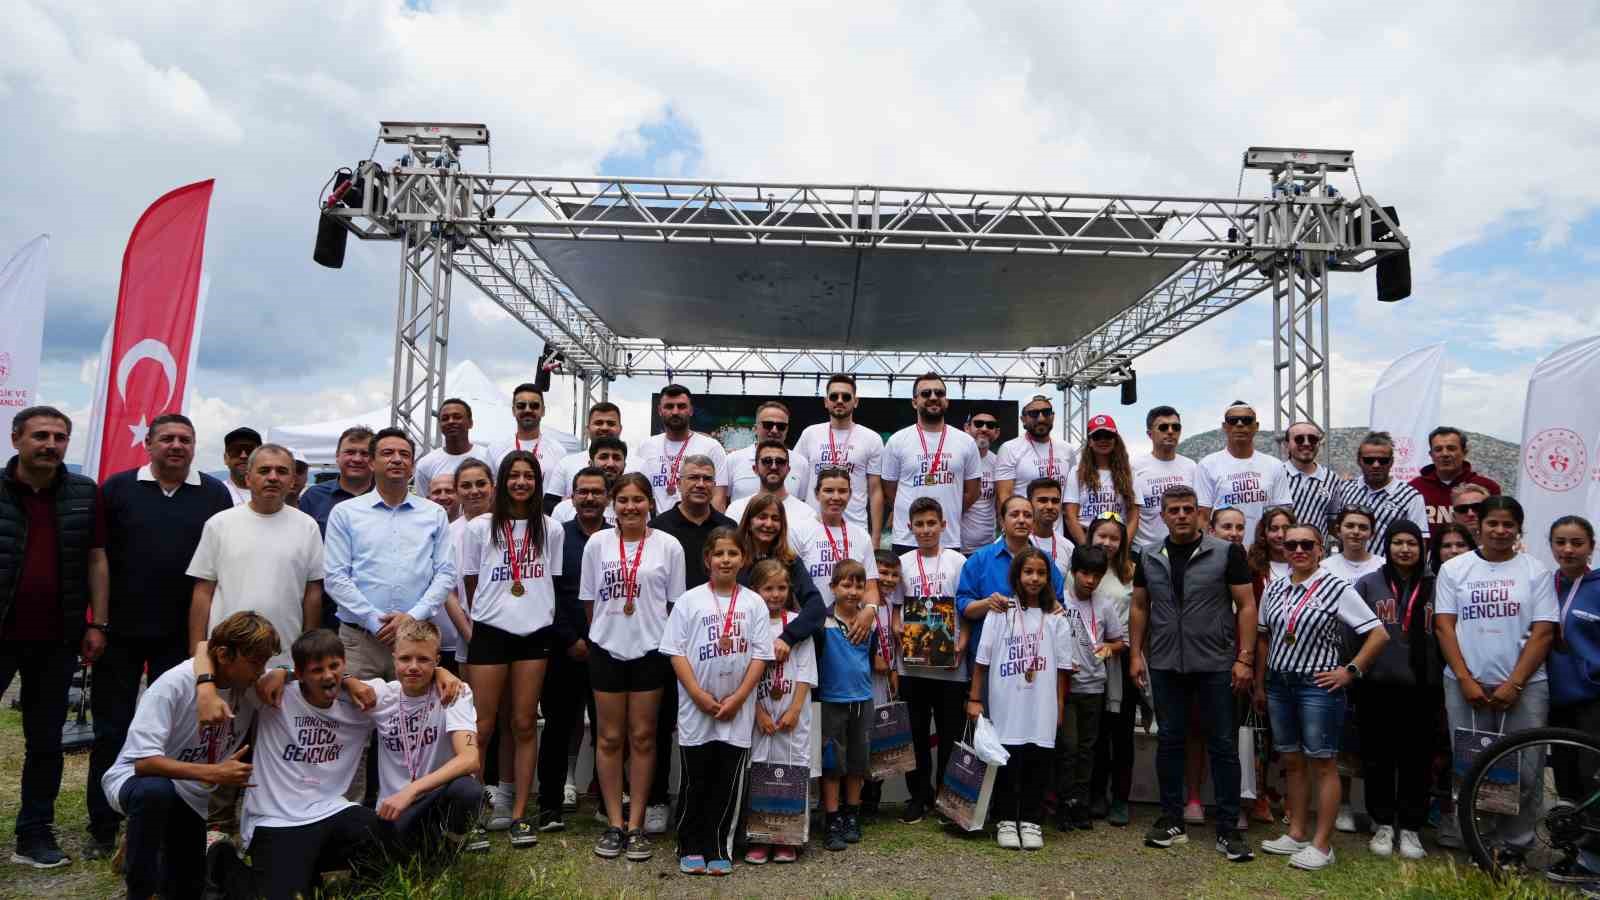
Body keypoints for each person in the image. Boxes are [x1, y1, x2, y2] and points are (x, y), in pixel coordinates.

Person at [87, 413, 233, 860]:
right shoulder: (116, 489)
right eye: (166, 438)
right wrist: (99, 622)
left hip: (182, 637)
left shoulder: (213, 493)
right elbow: (99, 559)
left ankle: (164, 822)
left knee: (176, 735)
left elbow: (215, 571)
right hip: (122, 633)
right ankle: (104, 824)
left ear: (194, 446)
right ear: (147, 444)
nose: (176, 446)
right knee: (112, 729)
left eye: (185, 439)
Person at [102, 612, 277, 900]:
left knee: (187, 890)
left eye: (265, 662)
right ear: (224, 655)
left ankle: (148, 842)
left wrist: (285, 674)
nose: (262, 671)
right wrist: (213, 773)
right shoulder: (173, 685)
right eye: (255, 662)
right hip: (135, 780)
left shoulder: (246, 688)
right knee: (155, 793)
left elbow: (303, 681)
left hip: (192, 799)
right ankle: (140, 891)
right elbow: (145, 763)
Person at [203, 630, 387, 900]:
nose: (328, 676)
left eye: (335, 667)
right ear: (300, 674)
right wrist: (281, 670)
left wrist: (444, 673)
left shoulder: (364, 698)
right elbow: (205, 650)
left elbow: (418, 683)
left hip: (330, 809)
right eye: (316, 670)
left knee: (381, 833)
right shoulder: (272, 695)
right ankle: (221, 858)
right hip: (275, 820)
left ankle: (342, 884)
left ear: (345, 665)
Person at [324, 427, 455, 809]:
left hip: (415, 644)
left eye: (404, 453)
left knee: (415, 729)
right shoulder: (346, 513)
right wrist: (375, 620)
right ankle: (349, 816)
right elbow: (335, 576)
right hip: (360, 639)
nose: (397, 459)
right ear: (372, 461)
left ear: (413, 464)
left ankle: (412, 813)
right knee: (353, 730)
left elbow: (444, 573)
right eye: (388, 453)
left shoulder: (433, 514)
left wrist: (410, 620)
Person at [1129, 484, 1256, 862]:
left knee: (1222, 744)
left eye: (1188, 509)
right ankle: (1171, 819)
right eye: (1174, 510)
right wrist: (1136, 654)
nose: (1181, 515)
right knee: (1169, 739)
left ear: (1200, 515)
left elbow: (1246, 605)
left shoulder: (1226, 552)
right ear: (1163, 515)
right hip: (1167, 663)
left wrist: (1244, 658)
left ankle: (1229, 829)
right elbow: (1139, 607)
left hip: (1216, 663)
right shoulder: (1149, 555)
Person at [2, 407, 105, 870]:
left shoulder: (84, 493)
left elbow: (97, 560)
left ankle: (34, 834)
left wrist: (96, 623)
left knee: (45, 742)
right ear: (16, 438)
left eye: (60, 437)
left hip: (57, 638)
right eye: (40, 435)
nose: (51, 444)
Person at [1253, 524, 1388, 871]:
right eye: (1291, 544)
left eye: (1306, 544)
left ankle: (1323, 845)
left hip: (1318, 686)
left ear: (1319, 550)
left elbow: (1377, 633)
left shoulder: (1335, 587)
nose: (1298, 550)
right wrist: (1260, 683)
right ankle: (1296, 832)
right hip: (1280, 683)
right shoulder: (1276, 588)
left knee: (1323, 763)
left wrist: (1351, 670)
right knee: (1292, 761)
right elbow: (1265, 638)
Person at [1435, 495, 1557, 858]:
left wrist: (1515, 683)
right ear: (1480, 526)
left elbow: (1544, 631)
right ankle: (1477, 840)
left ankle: (1516, 845)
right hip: (1464, 684)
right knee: (1470, 766)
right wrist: (1465, 679)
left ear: (1519, 528)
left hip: (1525, 686)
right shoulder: (1455, 569)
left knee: (1525, 769)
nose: (1500, 530)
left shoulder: (1535, 570)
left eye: (1508, 524)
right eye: (1493, 523)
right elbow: (1444, 626)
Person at [459, 449, 564, 848]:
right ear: (502, 482)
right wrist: (494, 611)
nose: (521, 482)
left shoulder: (550, 529)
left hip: (534, 632)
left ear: (537, 483)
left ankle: (520, 815)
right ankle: (470, 817)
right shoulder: (479, 527)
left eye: (529, 476)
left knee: (522, 724)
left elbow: (549, 581)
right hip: (490, 631)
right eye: (513, 476)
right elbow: (472, 582)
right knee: (482, 727)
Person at [582, 472, 688, 861]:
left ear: (650, 503)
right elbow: (589, 601)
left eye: (637, 500)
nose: (630, 507)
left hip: (650, 651)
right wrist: (605, 634)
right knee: (609, 738)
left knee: (643, 737)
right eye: (623, 500)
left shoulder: (669, 546)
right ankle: (614, 822)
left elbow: (673, 605)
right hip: (607, 650)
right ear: (614, 503)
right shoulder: (597, 543)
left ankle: (637, 824)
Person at [659, 528, 773, 876]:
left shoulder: (754, 602)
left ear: (744, 559)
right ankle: (690, 843)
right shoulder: (689, 600)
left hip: (736, 710)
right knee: (696, 778)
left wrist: (740, 698)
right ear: (707, 559)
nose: (726, 560)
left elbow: (760, 656)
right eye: (719, 553)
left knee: (727, 781)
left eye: (732, 553)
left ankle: (717, 845)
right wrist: (696, 694)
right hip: (697, 708)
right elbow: (675, 651)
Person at [645, 455, 736, 833]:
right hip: (668, 640)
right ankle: (655, 799)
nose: (700, 484)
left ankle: (711, 803)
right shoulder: (659, 527)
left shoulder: (728, 527)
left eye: (707, 478)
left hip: (716, 644)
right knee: (661, 722)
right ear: (677, 481)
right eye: (693, 477)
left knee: (715, 725)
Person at [969, 547, 1074, 851]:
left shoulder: (1056, 619)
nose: (1034, 578)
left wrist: (1060, 706)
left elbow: (1062, 673)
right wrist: (975, 698)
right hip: (1006, 705)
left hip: (1042, 706)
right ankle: (1004, 819)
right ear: (1016, 576)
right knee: (1006, 763)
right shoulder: (999, 614)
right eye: (1028, 572)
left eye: (1041, 573)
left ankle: (1031, 820)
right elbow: (982, 663)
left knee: (1037, 763)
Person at [187, 444, 323, 668]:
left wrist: (306, 655)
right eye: (264, 470)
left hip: (284, 659)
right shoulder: (219, 524)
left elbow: (313, 594)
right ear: (248, 478)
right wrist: (196, 652)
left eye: (281, 471)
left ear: (292, 481)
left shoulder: (307, 527)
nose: (272, 477)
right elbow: (203, 591)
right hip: (225, 656)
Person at [1352, 520, 1437, 861]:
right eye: (1398, 542)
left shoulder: (1439, 584)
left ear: (1422, 547)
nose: (1405, 549)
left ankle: (1413, 827)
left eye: (1412, 543)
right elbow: (1351, 633)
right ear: (1386, 546)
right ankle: (1383, 822)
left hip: (1424, 687)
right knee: (1378, 757)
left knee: (1418, 759)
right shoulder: (1369, 584)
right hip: (1378, 686)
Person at [368, 619, 482, 857]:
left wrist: (412, 790)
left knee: (468, 791)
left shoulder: (453, 692)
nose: (413, 667)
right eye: (405, 659)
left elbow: (470, 759)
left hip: (433, 799)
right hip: (393, 809)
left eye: (423, 660)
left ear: (437, 661)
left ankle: (451, 852)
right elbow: (326, 679)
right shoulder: (382, 695)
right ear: (393, 657)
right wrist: (282, 674)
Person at [892, 497, 969, 824]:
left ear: (943, 525)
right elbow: (895, 608)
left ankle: (944, 796)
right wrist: (899, 632)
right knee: (916, 733)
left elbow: (965, 608)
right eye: (919, 525)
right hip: (912, 665)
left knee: (951, 734)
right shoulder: (903, 563)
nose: (925, 530)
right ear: (909, 528)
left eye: (931, 523)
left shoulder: (958, 562)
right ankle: (918, 795)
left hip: (951, 666)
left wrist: (961, 646)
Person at [538, 466, 607, 834]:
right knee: (557, 728)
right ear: (571, 497)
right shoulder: (556, 536)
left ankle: (605, 803)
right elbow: (546, 591)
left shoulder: (619, 538)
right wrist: (570, 639)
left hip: (609, 651)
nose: (590, 498)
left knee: (607, 730)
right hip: (564, 648)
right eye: (583, 492)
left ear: (607, 496)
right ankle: (548, 806)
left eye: (597, 492)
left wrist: (598, 642)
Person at [744, 559, 816, 866]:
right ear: (754, 590)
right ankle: (759, 837)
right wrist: (759, 711)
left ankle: (788, 838)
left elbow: (805, 670)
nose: (775, 594)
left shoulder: (798, 623)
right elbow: (744, 673)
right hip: (760, 708)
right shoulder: (749, 623)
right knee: (760, 767)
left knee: (793, 767)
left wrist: (796, 708)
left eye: (782, 588)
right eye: (768, 588)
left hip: (792, 709)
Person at [815, 559, 886, 853]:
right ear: (833, 587)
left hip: (862, 700)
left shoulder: (868, 621)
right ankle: (832, 818)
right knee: (832, 763)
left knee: (857, 763)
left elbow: (875, 659)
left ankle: (852, 816)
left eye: (859, 585)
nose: (853, 591)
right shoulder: (822, 622)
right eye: (846, 584)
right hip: (831, 701)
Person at [957, 495, 1066, 675]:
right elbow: (963, 606)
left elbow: (1060, 604)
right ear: (1002, 520)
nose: (1022, 520)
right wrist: (987, 604)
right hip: (990, 658)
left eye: (1027, 515)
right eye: (1014, 515)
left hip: (1036, 657)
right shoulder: (980, 559)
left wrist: (1055, 605)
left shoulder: (1045, 559)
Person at [1547, 515, 1600, 884]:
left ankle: (1594, 862)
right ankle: (1573, 853)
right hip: (1553, 697)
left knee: (1591, 781)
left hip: (1593, 699)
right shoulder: (1545, 584)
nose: (1568, 550)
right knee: (1566, 783)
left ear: (1591, 547)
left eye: (1577, 543)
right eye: (1561, 542)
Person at [1058, 545, 1125, 832]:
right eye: (1085, 573)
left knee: (1088, 749)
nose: (1090, 580)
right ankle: (1063, 803)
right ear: (1073, 572)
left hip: (1094, 686)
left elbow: (1119, 642)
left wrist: (1107, 649)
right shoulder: (1060, 600)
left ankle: (1080, 805)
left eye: (1097, 575)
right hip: (1065, 687)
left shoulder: (1105, 604)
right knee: (1068, 747)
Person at [881, 373, 981, 555]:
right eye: (926, 393)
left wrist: (947, 512)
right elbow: (889, 490)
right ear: (914, 402)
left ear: (947, 401)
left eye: (939, 393)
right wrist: (915, 514)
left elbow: (973, 492)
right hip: (907, 537)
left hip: (948, 537)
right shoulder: (897, 440)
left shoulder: (965, 442)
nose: (933, 397)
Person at [1086, 516, 1138, 827]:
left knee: (1121, 733)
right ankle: (1095, 794)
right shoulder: (1079, 570)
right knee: (1094, 732)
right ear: (1090, 537)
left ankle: (1120, 797)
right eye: (1101, 536)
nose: (1106, 543)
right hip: (1087, 659)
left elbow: (1140, 613)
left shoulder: (1131, 572)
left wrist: (1135, 655)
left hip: (1121, 657)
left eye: (1113, 538)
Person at [793, 374, 885, 544]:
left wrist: (876, 537)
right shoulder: (810, 434)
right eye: (834, 396)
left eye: (846, 396)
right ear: (826, 401)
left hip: (855, 527)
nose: (840, 400)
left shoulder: (871, 438)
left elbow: (875, 491)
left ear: (855, 402)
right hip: (813, 525)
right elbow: (796, 479)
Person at [628, 384, 731, 513]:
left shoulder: (711, 447)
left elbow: (718, 496)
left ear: (691, 410)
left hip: (696, 526)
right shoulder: (646, 447)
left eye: (681, 406)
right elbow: (636, 490)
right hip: (656, 528)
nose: (675, 412)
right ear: (659, 410)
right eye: (669, 406)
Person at [1195, 401, 1292, 540]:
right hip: (1224, 551)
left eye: (1247, 420)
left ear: (1256, 426)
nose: (1240, 424)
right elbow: (1203, 517)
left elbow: (1282, 515)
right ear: (1224, 427)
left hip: (1262, 551)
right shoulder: (1207, 465)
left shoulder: (1274, 465)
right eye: (1233, 421)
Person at [793, 467, 879, 611]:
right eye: (828, 490)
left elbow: (870, 587)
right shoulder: (799, 532)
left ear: (850, 495)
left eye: (842, 491)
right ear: (816, 494)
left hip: (852, 624)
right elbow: (792, 586)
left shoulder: (861, 535)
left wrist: (870, 610)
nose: (836, 497)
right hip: (812, 623)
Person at [1334, 432, 1427, 552]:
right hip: (1348, 567)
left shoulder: (1411, 497)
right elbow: (1334, 527)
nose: (1376, 465)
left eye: (1383, 460)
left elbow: (1420, 540)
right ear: (1359, 461)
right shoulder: (1344, 490)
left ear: (1391, 462)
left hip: (1388, 569)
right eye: (1369, 460)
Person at [994, 394, 1076, 517]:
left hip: (1056, 533)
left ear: (1053, 416)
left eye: (1046, 412)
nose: (1041, 418)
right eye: (1034, 413)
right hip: (1025, 531)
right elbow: (1003, 497)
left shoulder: (1067, 449)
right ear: (1023, 419)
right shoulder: (1009, 449)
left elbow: (1071, 496)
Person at [1063, 414, 1139, 546]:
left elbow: (1134, 516)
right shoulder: (1076, 472)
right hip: (1086, 538)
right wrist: (1086, 549)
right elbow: (1070, 516)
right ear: (1090, 442)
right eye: (1097, 436)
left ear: (1116, 439)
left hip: (1116, 541)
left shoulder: (1130, 473)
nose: (1103, 440)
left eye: (1108, 436)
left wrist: (1123, 547)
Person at [1410, 426, 1502, 534]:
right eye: (1438, 449)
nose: (1445, 454)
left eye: (1451, 448)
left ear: (1464, 452)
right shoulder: (1414, 489)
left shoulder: (1488, 487)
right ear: (1431, 455)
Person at [488, 384, 566, 510]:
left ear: (543, 411)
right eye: (521, 405)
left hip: (542, 521)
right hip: (505, 521)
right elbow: (491, 493)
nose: (528, 410)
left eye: (534, 406)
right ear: (513, 410)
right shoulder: (496, 448)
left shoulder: (558, 451)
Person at [1132, 406, 1197, 551]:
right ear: (1150, 434)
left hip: (1184, 548)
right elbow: (1130, 513)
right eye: (1163, 427)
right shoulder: (1134, 467)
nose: (1170, 431)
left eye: (1176, 427)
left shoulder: (1191, 466)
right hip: (1146, 550)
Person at [297, 425, 375, 536]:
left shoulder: (386, 497)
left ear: (374, 459)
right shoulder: (313, 496)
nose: (357, 459)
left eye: (365, 454)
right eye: (350, 452)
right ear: (337, 456)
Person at [728, 401, 811, 503]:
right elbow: (721, 501)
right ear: (755, 428)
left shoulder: (801, 463)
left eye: (781, 426)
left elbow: (801, 502)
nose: (774, 430)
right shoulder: (733, 459)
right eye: (768, 425)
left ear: (787, 430)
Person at [725, 440, 817, 527]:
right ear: (755, 469)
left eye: (780, 461)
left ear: (788, 470)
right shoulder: (736, 510)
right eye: (767, 461)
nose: (774, 466)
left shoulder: (807, 515)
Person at [413, 398, 491, 496]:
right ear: (440, 425)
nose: (451, 421)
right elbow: (424, 504)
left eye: (457, 417)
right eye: (445, 419)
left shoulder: (488, 457)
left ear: (470, 423)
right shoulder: (425, 464)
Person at [547, 402, 625, 500]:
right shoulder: (566, 463)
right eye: (598, 423)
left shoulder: (639, 465)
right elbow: (549, 503)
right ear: (587, 430)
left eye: (611, 423)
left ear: (620, 429)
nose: (605, 427)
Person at [1279, 421, 1339, 537]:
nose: (1306, 443)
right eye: (1299, 439)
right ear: (1286, 444)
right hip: (1281, 551)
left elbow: (1333, 522)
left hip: (1317, 553)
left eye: (1312, 439)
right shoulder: (1276, 475)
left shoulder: (1332, 479)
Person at [550, 436, 626, 525]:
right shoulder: (564, 509)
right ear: (591, 463)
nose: (610, 464)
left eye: (616, 458)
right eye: (603, 457)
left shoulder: (629, 509)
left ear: (624, 466)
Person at [960, 411, 1000, 553]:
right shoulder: (954, 460)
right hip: (953, 546)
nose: (984, 428)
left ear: (996, 433)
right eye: (978, 424)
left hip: (987, 548)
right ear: (967, 428)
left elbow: (1000, 505)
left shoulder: (998, 462)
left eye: (990, 425)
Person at [1321, 507, 1385, 583]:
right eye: (1350, 526)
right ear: (1338, 530)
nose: (1356, 532)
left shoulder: (1384, 566)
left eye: (1363, 528)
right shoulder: (1325, 568)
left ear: (1372, 534)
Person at [1028, 477, 1074, 579]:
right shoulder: (1014, 541)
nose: (1050, 506)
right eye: (1043, 500)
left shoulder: (1068, 547)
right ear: (1029, 504)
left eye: (1055, 501)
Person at [1246, 506, 1296, 594]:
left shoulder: (1304, 566)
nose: (1280, 535)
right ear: (1263, 533)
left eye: (1286, 529)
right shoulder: (1251, 567)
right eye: (1274, 529)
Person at [220, 426, 261, 506]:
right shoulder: (215, 494)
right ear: (225, 458)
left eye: (250, 450)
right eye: (236, 450)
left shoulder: (274, 493)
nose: (243, 456)